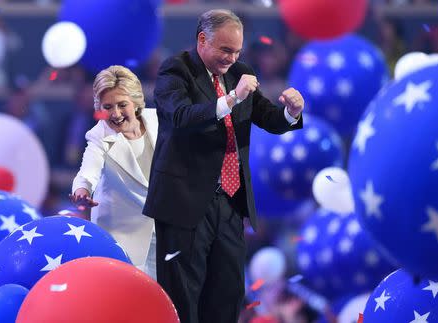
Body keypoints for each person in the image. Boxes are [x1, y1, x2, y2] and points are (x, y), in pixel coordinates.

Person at [142, 9, 305, 323]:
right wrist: (231, 99)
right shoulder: (175, 70)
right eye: (225, 50)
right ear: (203, 40)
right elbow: (180, 118)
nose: (232, 58)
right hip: (184, 203)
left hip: (230, 203)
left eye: (237, 51)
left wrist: (291, 113)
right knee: (183, 296)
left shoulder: (238, 71)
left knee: (228, 293)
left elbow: (269, 118)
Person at [70, 65, 158, 279]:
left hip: (163, 231)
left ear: (136, 102)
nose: (116, 114)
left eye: (122, 105)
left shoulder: (160, 120)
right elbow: (87, 171)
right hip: (120, 236)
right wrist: (82, 191)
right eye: (108, 106)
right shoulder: (98, 135)